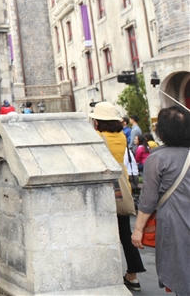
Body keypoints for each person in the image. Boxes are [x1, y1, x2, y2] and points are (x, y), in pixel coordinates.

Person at [131, 106, 190, 296]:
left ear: (162, 131)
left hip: (175, 223)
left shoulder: (157, 159)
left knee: (182, 272)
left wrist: (138, 229)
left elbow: (148, 200)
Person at [89, 101, 145, 291]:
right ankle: (133, 274)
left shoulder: (97, 137)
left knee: (101, 232)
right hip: (122, 188)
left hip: (105, 190)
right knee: (125, 232)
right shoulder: (121, 137)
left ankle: (105, 273)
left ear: (98, 121)